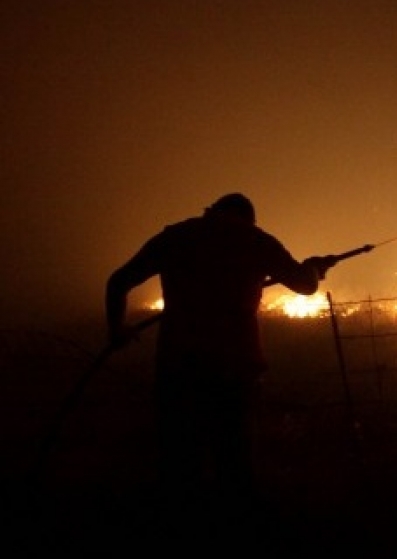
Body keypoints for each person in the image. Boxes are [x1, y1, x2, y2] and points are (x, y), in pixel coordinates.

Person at [105, 193, 337, 515]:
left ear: (212, 211)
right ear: (246, 219)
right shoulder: (255, 241)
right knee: (234, 459)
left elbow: (118, 281)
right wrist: (313, 267)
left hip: (178, 365)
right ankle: (235, 529)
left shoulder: (176, 238)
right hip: (233, 369)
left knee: (180, 463)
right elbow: (304, 285)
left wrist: (116, 331)